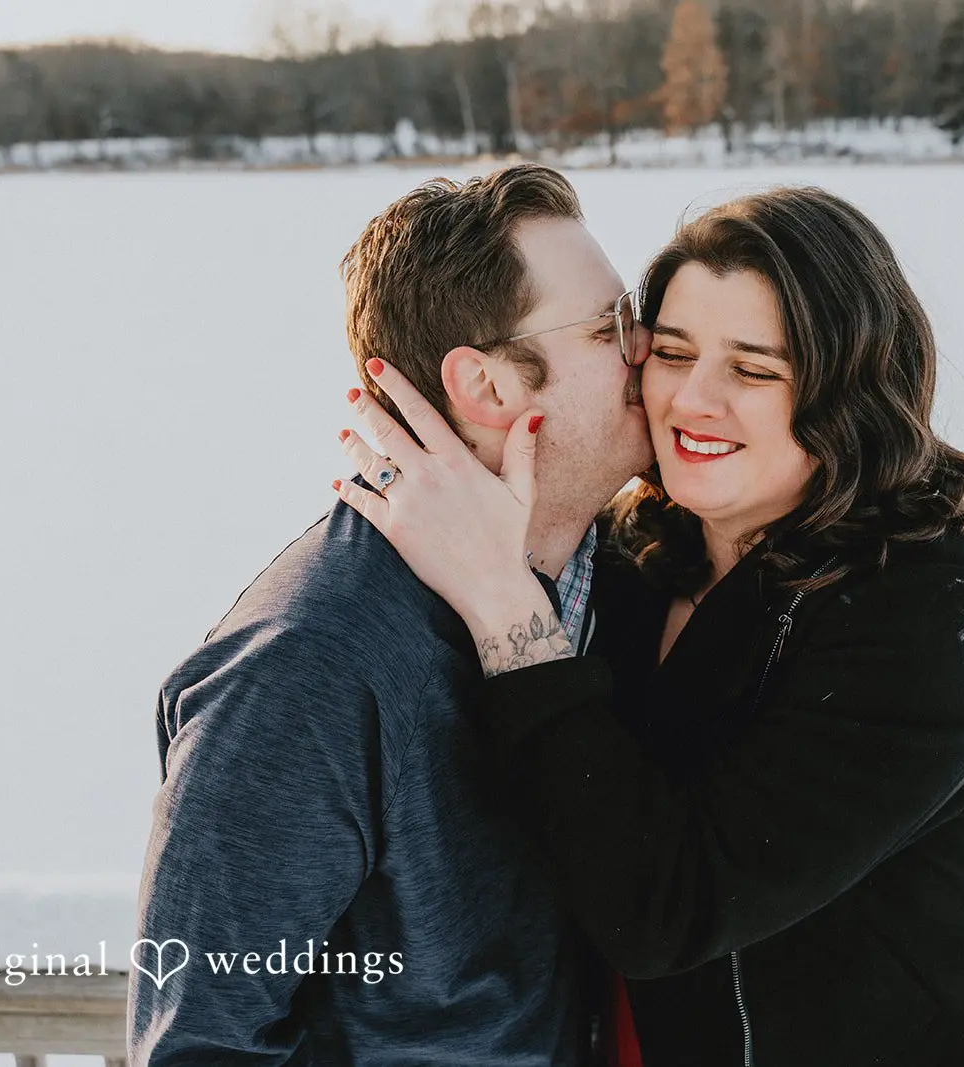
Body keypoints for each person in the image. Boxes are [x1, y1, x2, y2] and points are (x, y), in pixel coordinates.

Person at [332, 186, 964, 1066]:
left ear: (848, 388)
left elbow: (666, 908)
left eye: (754, 370)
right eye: (670, 353)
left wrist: (511, 615)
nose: (692, 400)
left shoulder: (927, 609)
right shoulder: (635, 554)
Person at [129, 164, 654, 1064]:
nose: (648, 346)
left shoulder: (608, 580)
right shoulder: (309, 666)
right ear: (487, 385)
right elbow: (198, 1043)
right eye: (610, 327)